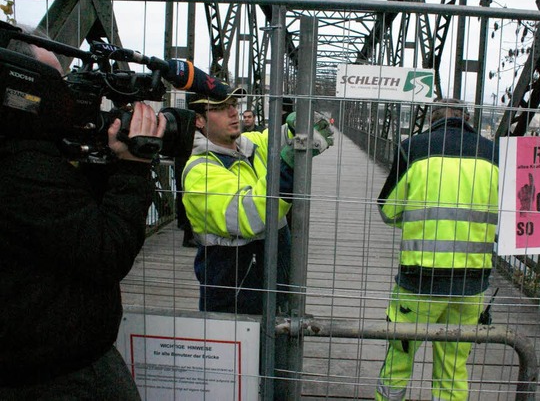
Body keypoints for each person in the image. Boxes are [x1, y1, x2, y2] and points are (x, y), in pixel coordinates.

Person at [0, 28, 166, 399]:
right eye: (53, 81)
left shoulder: (28, 153)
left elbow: (62, 226)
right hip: (59, 374)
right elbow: (107, 251)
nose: (62, 94)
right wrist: (132, 168)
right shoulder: (27, 170)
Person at [375, 98, 499, 401]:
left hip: (418, 282)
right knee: (453, 368)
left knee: (399, 361)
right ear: (467, 118)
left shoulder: (413, 148)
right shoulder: (494, 154)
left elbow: (388, 210)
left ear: (432, 119)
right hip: (472, 284)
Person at [181, 93, 333, 314]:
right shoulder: (199, 171)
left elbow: (280, 137)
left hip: (271, 287)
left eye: (233, 104)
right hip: (233, 298)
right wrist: (289, 164)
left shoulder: (250, 145)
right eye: (220, 108)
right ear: (199, 120)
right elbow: (248, 216)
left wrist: (300, 125)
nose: (233, 112)